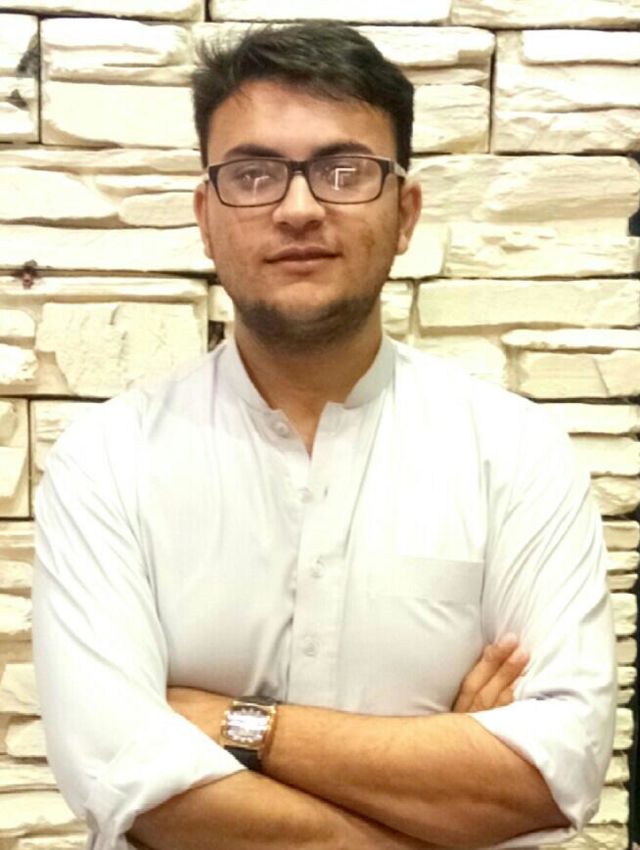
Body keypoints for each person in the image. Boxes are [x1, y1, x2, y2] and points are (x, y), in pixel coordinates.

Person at [32, 20, 616, 850]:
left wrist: (228, 722)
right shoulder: (107, 462)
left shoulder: (516, 454)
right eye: (254, 174)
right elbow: (129, 782)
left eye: (345, 172)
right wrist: (438, 796)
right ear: (206, 217)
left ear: (405, 212)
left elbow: (557, 772)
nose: (299, 208)